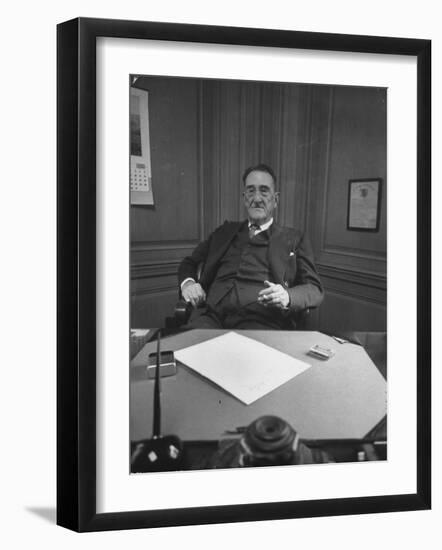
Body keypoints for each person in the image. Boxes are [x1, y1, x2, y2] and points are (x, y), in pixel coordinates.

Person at [178, 164, 323, 329]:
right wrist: (188, 284)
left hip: (261, 321)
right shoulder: (224, 232)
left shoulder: (295, 238)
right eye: (251, 191)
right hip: (210, 317)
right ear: (244, 198)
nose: (257, 199)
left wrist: (287, 296)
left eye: (264, 190)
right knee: (185, 350)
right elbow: (189, 263)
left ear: (275, 200)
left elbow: (315, 289)